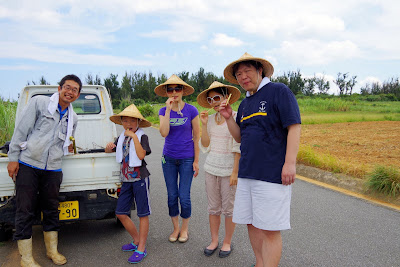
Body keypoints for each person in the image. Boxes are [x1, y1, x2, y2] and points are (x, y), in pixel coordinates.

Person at [219, 53, 301, 267]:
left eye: (247, 71)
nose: (243, 76)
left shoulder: (278, 91)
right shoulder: (245, 104)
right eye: (238, 74)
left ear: (259, 70)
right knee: (251, 223)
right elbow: (239, 136)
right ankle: (260, 263)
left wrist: (289, 163)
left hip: (272, 174)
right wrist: (229, 118)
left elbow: (294, 126)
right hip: (247, 173)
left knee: (270, 229)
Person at [7, 74, 82, 266]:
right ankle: (26, 258)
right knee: (25, 209)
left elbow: (66, 142)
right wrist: (13, 158)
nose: (70, 92)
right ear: (59, 88)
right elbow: (20, 130)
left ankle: (52, 251)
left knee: (51, 208)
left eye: (74, 90)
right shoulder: (39, 103)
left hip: (54, 167)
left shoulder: (73, 117)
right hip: (29, 164)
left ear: (78, 95)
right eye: (67, 87)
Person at [197, 81, 241, 258]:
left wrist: (235, 172)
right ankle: (214, 240)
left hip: (229, 169)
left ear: (226, 97)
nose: (214, 102)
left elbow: (238, 144)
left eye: (217, 97)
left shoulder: (235, 116)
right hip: (211, 169)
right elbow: (205, 145)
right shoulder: (211, 119)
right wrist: (204, 124)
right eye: (210, 99)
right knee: (213, 208)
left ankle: (227, 242)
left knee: (229, 209)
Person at [154, 74, 200, 243]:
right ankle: (175, 229)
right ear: (166, 92)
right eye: (170, 89)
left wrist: (196, 161)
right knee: (172, 195)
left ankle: (185, 229)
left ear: (183, 91)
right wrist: (167, 110)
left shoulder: (192, 110)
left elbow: (197, 136)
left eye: (177, 89)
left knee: (184, 196)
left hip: (187, 158)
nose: (174, 92)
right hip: (169, 159)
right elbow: (164, 132)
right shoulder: (162, 111)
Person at [105, 104, 152, 264]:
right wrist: (109, 147)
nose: (128, 123)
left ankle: (142, 248)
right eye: (125, 120)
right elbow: (109, 151)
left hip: (140, 179)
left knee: (142, 214)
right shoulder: (121, 137)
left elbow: (140, 155)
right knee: (120, 213)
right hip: (125, 180)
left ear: (138, 122)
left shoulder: (142, 136)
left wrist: (134, 137)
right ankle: (136, 240)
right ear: (121, 122)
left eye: (132, 120)